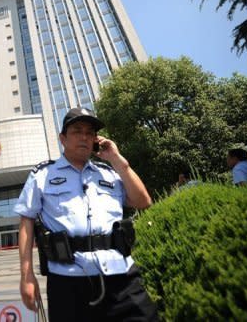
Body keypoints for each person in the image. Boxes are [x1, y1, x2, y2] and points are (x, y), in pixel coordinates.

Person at [14, 107, 158, 321]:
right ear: (62, 138)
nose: (84, 137)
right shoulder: (42, 175)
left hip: (121, 277)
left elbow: (143, 202)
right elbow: (27, 221)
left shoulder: (110, 172)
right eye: (77, 131)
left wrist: (118, 161)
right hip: (68, 282)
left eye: (90, 132)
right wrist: (26, 275)